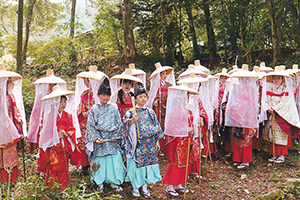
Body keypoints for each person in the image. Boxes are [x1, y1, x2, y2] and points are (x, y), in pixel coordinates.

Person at [123, 82, 164, 197]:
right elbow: (124, 126)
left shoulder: (150, 112)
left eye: (145, 96)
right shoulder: (130, 112)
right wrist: (132, 121)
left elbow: (156, 126)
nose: (143, 99)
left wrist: (157, 141)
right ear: (135, 99)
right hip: (138, 144)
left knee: (147, 166)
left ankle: (145, 187)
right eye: (140, 97)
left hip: (150, 144)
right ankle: (136, 187)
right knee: (137, 166)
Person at [37, 86, 81, 190]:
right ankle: (51, 188)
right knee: (53, 166)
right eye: (60, 102)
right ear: (55, 102)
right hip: (53, 144)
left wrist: (65, 133)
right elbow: (45, 131)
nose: (63, 105)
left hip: (64, 144)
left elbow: (72, 128)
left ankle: (63, 188)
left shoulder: (68, 116)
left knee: (63, 167)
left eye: (65, 102)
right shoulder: (50, 116)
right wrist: (56, 134)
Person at [86, 77, 125, 192]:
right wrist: (96, 138)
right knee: (100, 161)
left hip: (112, 139)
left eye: (107, 95)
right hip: (100, 139)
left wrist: (115, 137)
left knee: (114, 161)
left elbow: (118, 123)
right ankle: (99, 182)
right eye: (103, 95)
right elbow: (91, 125)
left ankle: (114, 182)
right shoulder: (94, 108)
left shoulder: (114, 107)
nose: (105, 97)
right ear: (98, 95)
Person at [162, 83, 199, 196]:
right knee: (175, 162)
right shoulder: (175, 111)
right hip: (177, 141)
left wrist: (191, 130)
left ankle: (180, 183)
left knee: (185, 162)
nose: (186, 99)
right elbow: (172, 127)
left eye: (187, 96)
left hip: (186, 141)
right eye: (184, 96)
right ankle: (170, 185)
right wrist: (185, 129)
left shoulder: (188, 111)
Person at [263, 66, 300, 163]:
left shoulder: (285, 91)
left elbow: (285, 103)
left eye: (278, 78)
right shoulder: (270, 89)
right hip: (272, 115)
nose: (276, 80)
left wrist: (275, 109)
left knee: (280, 136)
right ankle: (273, 154)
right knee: (272, 135)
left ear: (282, 79)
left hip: (280, 116)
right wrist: (268, 108)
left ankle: (281, 155)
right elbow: (266, 100)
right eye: (275, 78)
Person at [225, 64, 259, 169]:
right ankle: (237, 158)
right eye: (241, 79)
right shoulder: (239, 89)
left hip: (247, 117)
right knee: (237, 138)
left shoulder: (251, 89)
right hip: (238, 116)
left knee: (245, 139)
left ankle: (245, 160)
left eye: (244, 79)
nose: (242, 81)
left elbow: (250, 103)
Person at [75, 66, 107, 175]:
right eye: (86, 80)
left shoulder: (102, 94)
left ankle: (98, 165)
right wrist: (83, 113)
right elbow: (80, 108)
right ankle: (85, 165)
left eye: (90, 80)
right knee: (85, 142)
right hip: (86, 123)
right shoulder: (84, 94)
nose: (88, 82)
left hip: (99, 123)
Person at [28, 69, 67, 152]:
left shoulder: (59, 96)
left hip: (57, 123)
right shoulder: (41, 97)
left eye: (54, 84)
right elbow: (36, 113)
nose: (52, 86)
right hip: (44, 124)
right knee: (45, 150)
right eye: (50, 84)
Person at [0, 64, 25, 183]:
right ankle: (7, 181)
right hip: (7, 131)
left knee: (9, 157)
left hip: (9, 130)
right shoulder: (6, 98)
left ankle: (9, 181)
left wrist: (18, 119)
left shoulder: (10, 97)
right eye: (10, 82)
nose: (13, 84)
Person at [148, 62, 175, 156]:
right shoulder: (155, 85)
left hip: (167, 108)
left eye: (165, 74)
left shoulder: (169, 84)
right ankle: (158, 146)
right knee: (158, 125)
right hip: (158, 108)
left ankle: (166, 147)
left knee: (166, 125)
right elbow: (152, 96)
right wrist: (155, 100)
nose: (164, 76)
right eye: (162, 74)